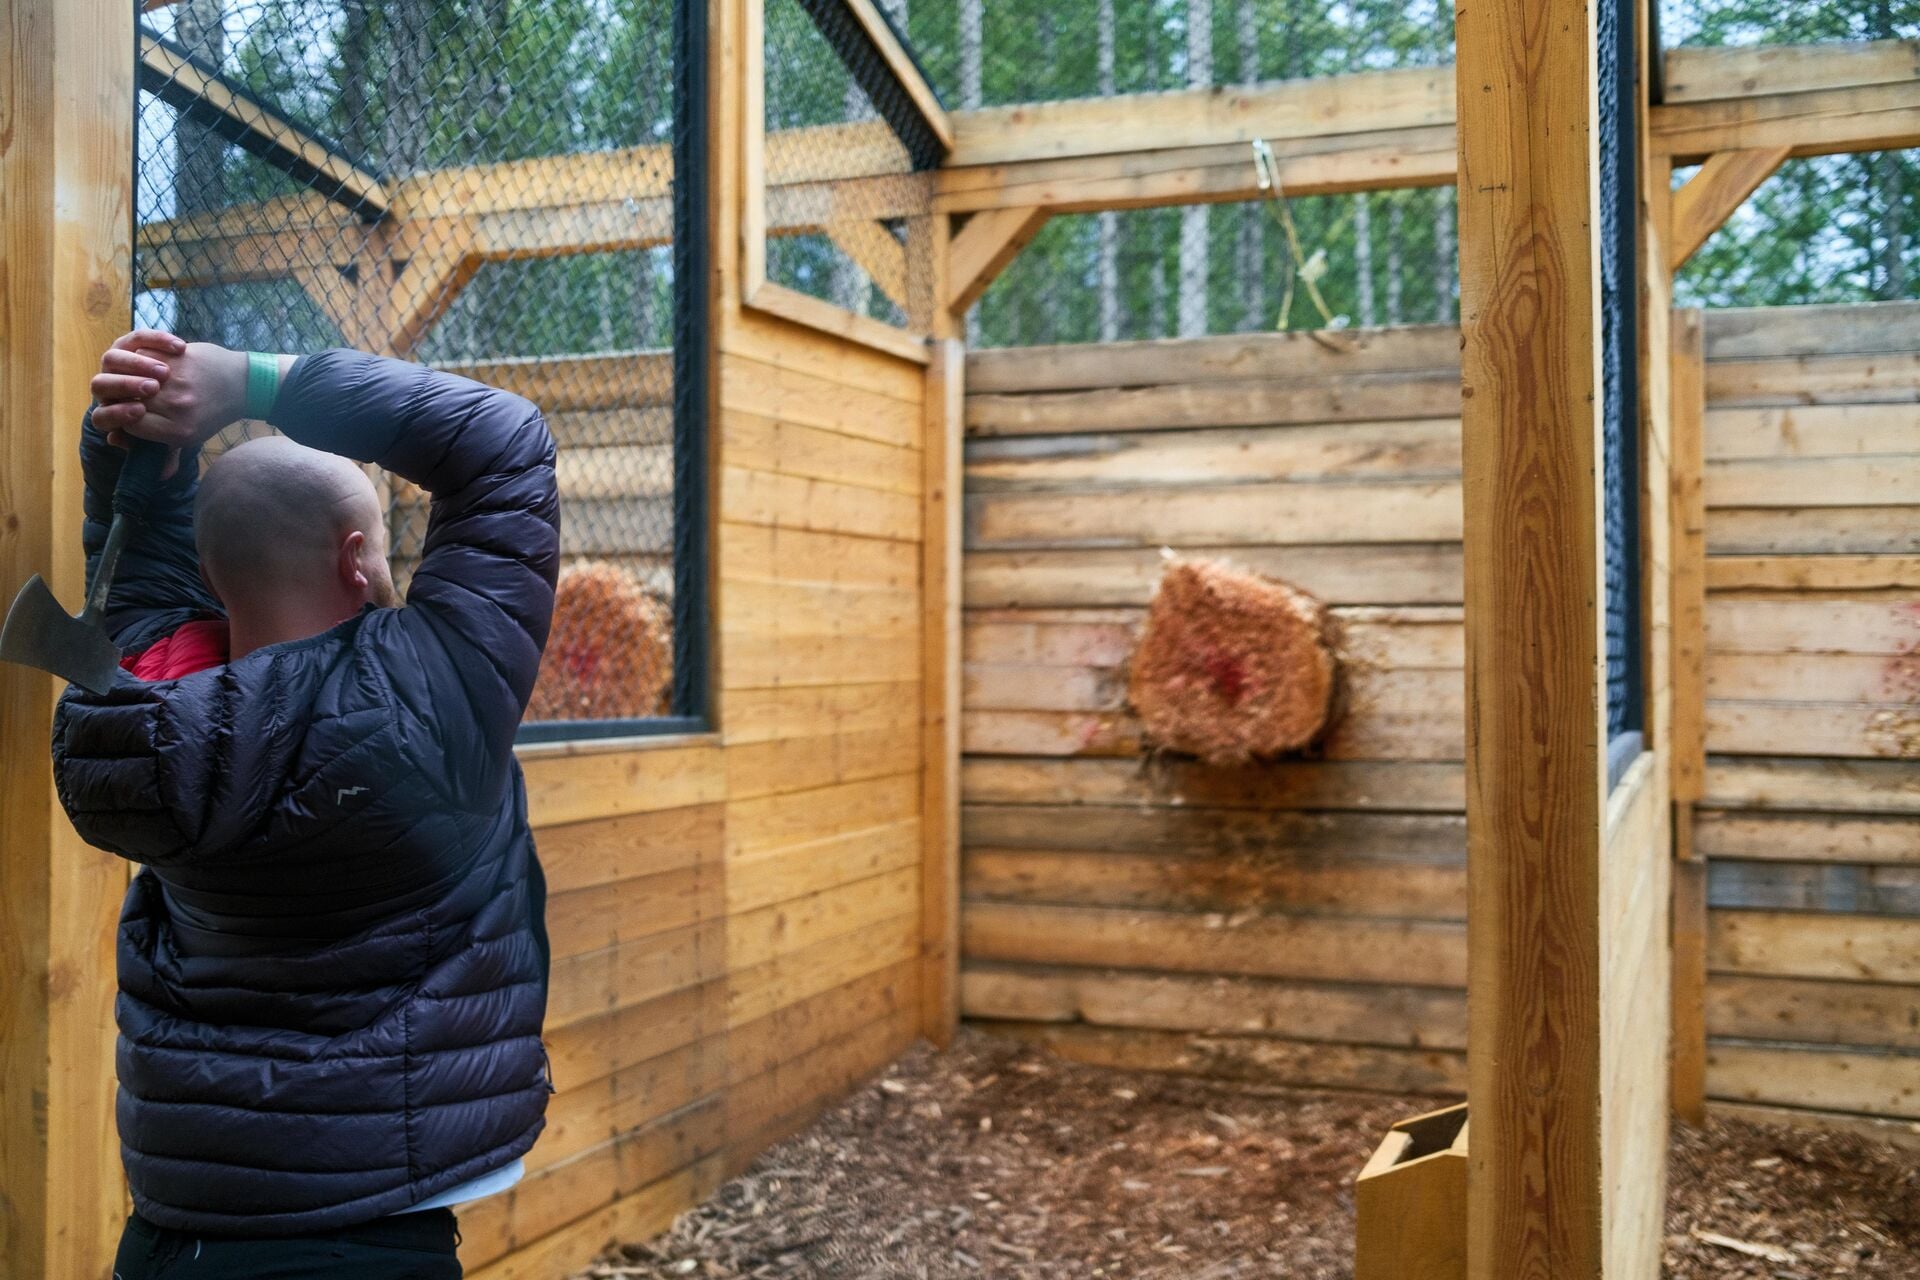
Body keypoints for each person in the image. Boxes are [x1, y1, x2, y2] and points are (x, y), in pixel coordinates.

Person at [53, 331, 561, 1278]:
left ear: (213, 579)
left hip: (175, 1232)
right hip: (363, 1231)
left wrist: (137, 460)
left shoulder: (146, 711)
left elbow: (146, 589)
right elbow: (504, 440)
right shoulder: (433, 691)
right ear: (357, 556)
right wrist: (252, 381)